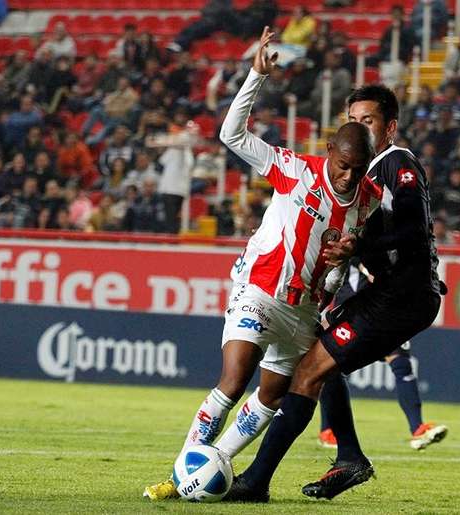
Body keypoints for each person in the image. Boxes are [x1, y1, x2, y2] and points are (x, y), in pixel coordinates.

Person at [143, 27, 379, 501]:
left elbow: (339, 261)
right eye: (343, 165)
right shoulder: (296, 169)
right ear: (329, 151)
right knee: (232, 383)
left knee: (269, 397)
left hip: (305, 312)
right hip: (261, 290)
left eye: (359, 168)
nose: (349, 176)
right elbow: (230, 133)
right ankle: (180, 474)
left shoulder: (369, 200)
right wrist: (254, 77)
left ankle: (214, 469)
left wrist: (340, 267)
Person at [223, 82, 443, 503]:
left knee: (307, 371)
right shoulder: (359, 179)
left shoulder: (396, 162)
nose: (360, 127)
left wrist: (360, 247)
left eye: (369, 121)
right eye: (353, 121)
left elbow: (413, 227)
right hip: (390, 292)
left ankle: (256, 481)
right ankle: (348, 455)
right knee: (317, 357)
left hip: (404, 294)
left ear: (389, 128)